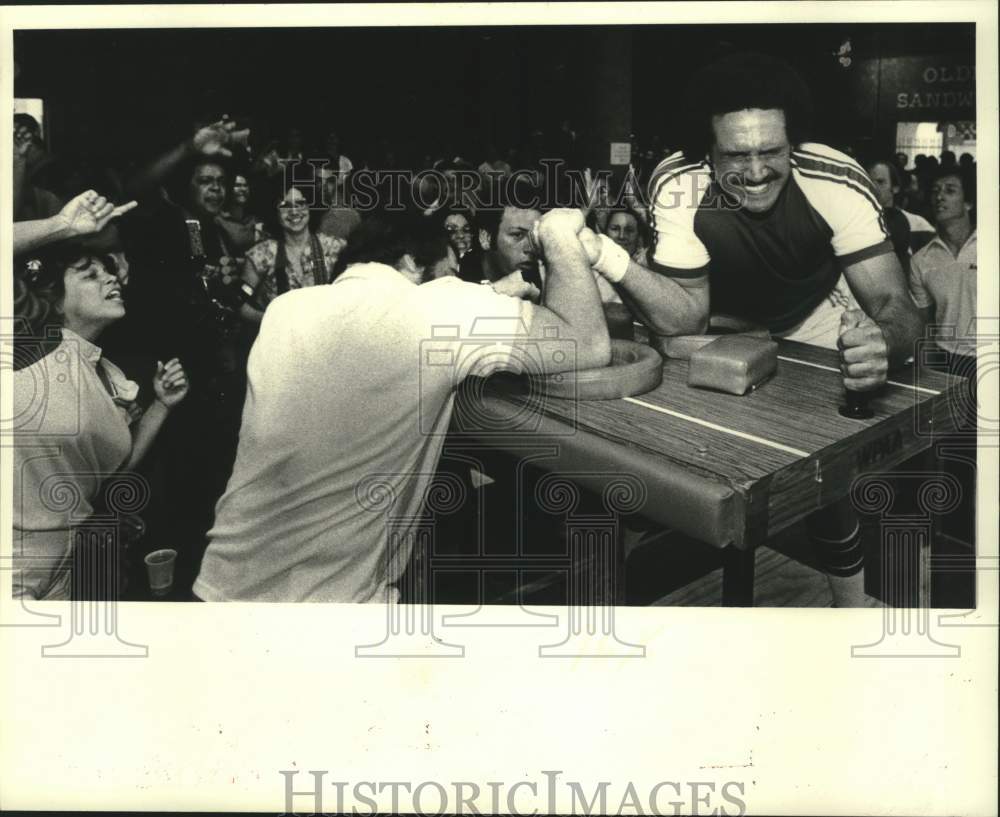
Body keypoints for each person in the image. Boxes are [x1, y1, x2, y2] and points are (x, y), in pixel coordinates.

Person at [588, 52, 923, 606]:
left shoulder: (835, 180)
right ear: (707, 153)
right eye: (735, 154)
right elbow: (685, 317)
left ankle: (852, 606)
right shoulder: (678, 183)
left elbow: (897, 304)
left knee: (825, 470)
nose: (756, 170)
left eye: (771, 150)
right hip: (717, 320)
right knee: (655, 449)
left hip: (810, 318)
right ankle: (613, 593)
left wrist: (882, 340)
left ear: (793, 144)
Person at [193, 209, 610, 602]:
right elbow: (586, 344)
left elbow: (381, 331)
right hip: (331, 614)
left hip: (218, 589)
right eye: (449, 274)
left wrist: (488, 295)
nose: (454, 284)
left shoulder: (287, 309)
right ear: (413, 262)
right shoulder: (439, 308)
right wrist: (557, 235)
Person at [12, 246, 189, 600]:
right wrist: (64, 225)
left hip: (64, 565)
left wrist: (161, 405)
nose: (111, 277)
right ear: (56, 301)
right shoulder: (25, 353)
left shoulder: (109, 375)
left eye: (107, 271)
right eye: (90, 274)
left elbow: (110, 473)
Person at [238, 183, 345, 323]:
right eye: (284, 205)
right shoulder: (261, 254)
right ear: (274, 211)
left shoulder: (334, 248)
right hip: (280, 339)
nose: (294, 211)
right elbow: (240, 304)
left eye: (301, 203)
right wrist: (271, 321)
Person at [908, 168, 977, 362]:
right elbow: (926, 324)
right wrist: (926, 368)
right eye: (935, 191)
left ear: (968, 203)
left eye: (950, 190)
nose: (939, 196)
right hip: (944, 358)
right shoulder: (921, 260)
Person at [458, 182, 544, 301]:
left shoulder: (545, 278)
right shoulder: (456, 280)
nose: (530, 248)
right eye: (517, 235)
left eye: (535, 236)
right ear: (485, 238)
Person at [216, 172, 263, 256]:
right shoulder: (219, 220)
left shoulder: (254, 220)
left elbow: (263, 252)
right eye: (237, 185)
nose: (243, 189)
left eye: (245, 185)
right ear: (228, 189)